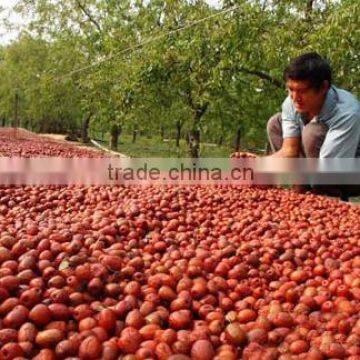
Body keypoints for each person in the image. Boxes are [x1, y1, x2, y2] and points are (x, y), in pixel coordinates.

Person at [232, 52, 360, 200]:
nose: (295, 97)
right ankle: (300, 193)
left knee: (312, 133)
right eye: (291, 89)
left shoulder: (347, 112)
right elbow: (289, 150)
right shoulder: (291, 102)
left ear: (324, 87)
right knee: (275, 123)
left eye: (302, 91)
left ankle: (327, 198)